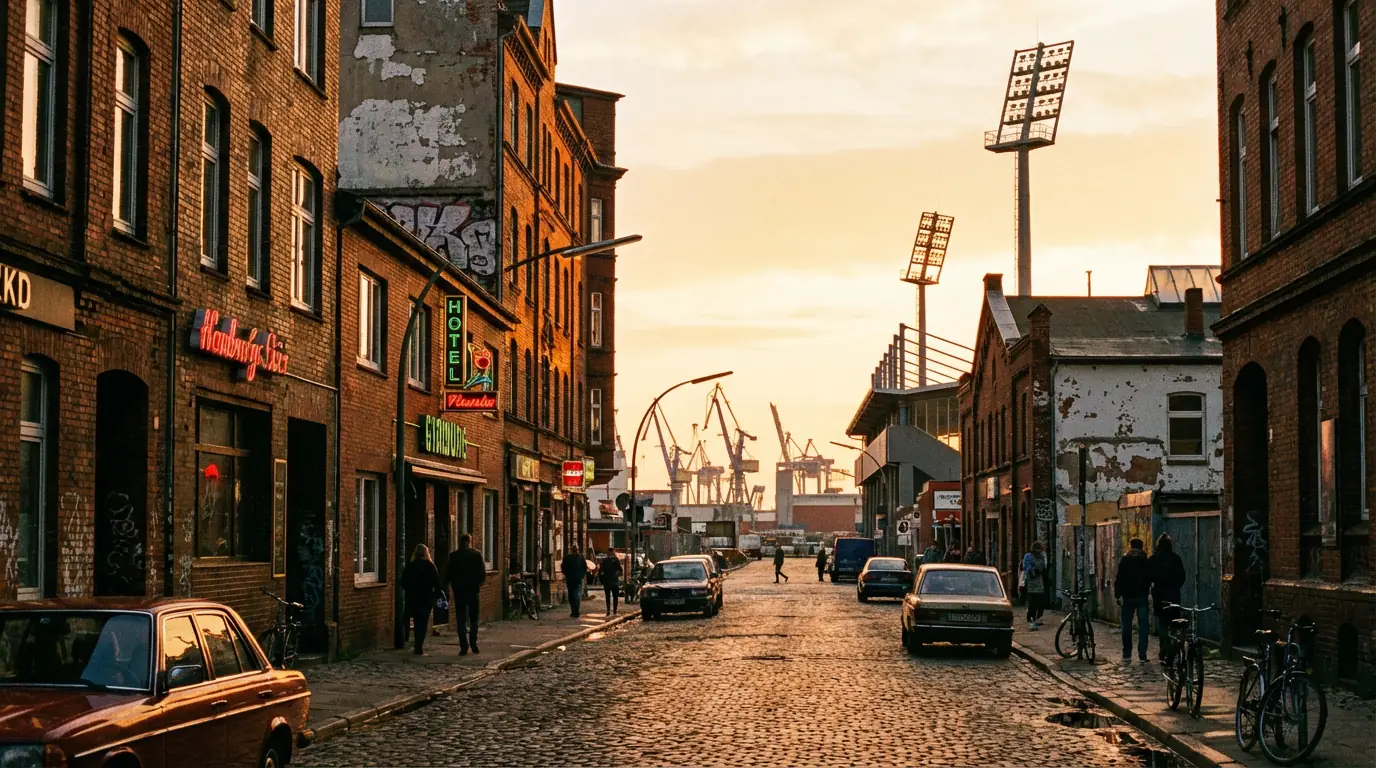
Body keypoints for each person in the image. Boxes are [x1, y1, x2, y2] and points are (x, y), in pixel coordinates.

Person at [445, 534, 487, 655]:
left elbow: (448, 575)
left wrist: (453, 586)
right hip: (473, 591)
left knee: (461, 619)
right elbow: (482, 574)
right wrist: (478, 584)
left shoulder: (453, 556)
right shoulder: (476, 555)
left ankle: (463, 646)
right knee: (474, 618)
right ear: (470, 541)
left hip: (459, 592)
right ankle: (473, 644)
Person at [1148, 533, 1187, 661]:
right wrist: (1175, 586)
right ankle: (1173, 646)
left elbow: (1149, 576)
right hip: (1174, 594)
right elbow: (1182, 576)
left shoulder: (1153, 559)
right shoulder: (1176, 558)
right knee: (1174, 622)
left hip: (1159, 595)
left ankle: (1164, 648)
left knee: (1163, 623)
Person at [1114, 537, 1152, 662]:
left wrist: (1117, 594)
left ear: (1131, 546)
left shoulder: (1125, 560)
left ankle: (1127, 653)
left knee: (1126, 626)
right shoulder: (1144, 560)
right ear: (1141, 547)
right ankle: (1142, 654)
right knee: (1144, 626)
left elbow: (1119, 578)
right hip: (1141, 596)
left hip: (1127, 597)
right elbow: (1149, 578)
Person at [401, 544, 442, 655]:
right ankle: (418, 645)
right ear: (426, 553)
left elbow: (403, 582)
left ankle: (413, 642)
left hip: (413, 598)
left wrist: (410, 590)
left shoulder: (411, 566)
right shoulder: (430, 566)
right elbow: (437, 583)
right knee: (422, 622)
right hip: (426, 598)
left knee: (414, 620)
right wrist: (435, 596)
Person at [1020, 541, 1050, 629]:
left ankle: (1036, 618)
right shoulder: (1028, 556)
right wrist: (1034, 569)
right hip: (1031, 583)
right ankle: (1031, 620)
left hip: (1040, 583)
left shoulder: (1041, 557)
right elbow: (1026, 568)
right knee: (1032, 603)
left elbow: (1043, 567)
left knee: (1040, 603)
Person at [560, 544, 589, 618]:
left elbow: (563, 567)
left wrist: (566, 574)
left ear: (571, 550)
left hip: (570, 578)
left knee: (571, 595)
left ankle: (574, 611)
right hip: (578, 578)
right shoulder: (581, 558)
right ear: (577, 550)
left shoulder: (567, 558)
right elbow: (585, 568)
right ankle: (576, 610)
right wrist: (582, 575)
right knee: (577, 594)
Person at [599, 548, 623, 615]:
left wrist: (602, 581)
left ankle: (608, 611)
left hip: (607, 581)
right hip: (614, 581)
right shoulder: (616, 560)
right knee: (615, 597)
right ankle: (614, 611)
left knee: (608, 597)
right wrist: (616, 575)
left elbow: (601, 572)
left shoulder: (604, 561)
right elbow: (620, 571)